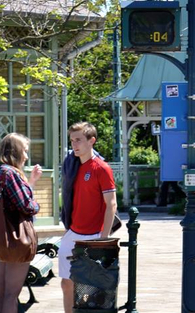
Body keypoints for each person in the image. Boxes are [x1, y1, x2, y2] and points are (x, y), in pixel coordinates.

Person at [58, 122, 118, 313]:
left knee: (92, 290)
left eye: (79, 140)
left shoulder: (101, 168)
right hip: (73, 233)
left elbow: (112, 204)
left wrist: (103, 239)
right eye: (72, 140)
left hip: (93, 237)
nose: (74, 145)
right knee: (66, 284)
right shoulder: (73, 166)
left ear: (92, 141)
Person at [0, 133, 41, 313]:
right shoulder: (11, 173)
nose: (26, 156)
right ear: (15, 152)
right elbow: (26, 206)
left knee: (1, 294)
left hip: (1, 240)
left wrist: (30, 181)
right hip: (16, 241)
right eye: (24, 151)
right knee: (12, 295)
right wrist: (37, 205)